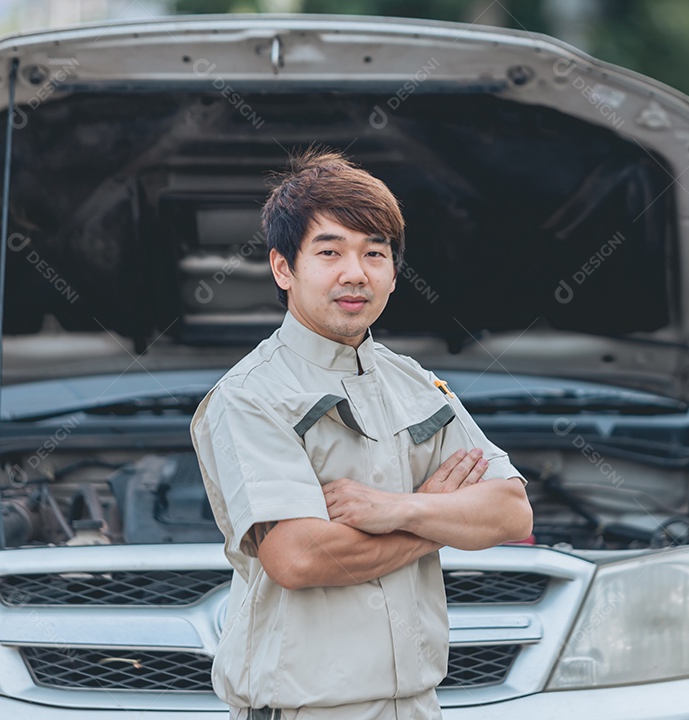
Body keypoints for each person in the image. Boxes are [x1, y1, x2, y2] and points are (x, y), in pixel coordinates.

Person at [190, 148, 533, 720]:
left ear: (393, 274)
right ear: (283, 268)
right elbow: (298, 558)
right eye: (329, 252)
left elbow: (511, 511)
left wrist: (396, 509)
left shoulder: (417, 385)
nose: (356, 273)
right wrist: (437, 512)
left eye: (374, 253)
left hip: (417, 707)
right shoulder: (249, 396)